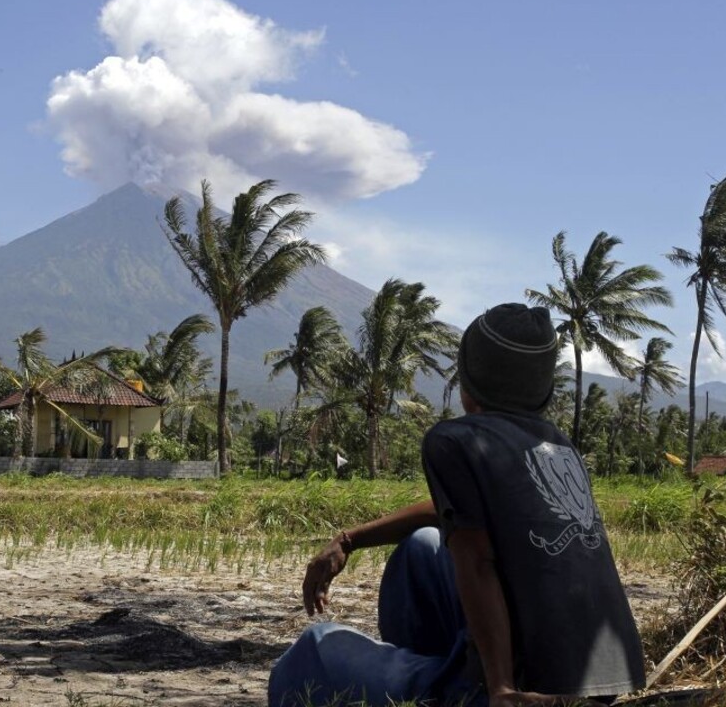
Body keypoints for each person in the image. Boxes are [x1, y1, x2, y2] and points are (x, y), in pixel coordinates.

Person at [268, 303, 646, 707]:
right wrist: (349, 540)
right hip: (599, 684)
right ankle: (444, 675)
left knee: (313, 650)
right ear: (545, 391)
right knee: (422, 548)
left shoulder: (453, 440)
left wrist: (501, 687)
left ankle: (452, 693)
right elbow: (441, 513)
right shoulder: (557, 444)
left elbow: (477, 562)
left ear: (468, 382)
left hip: (522, 692)